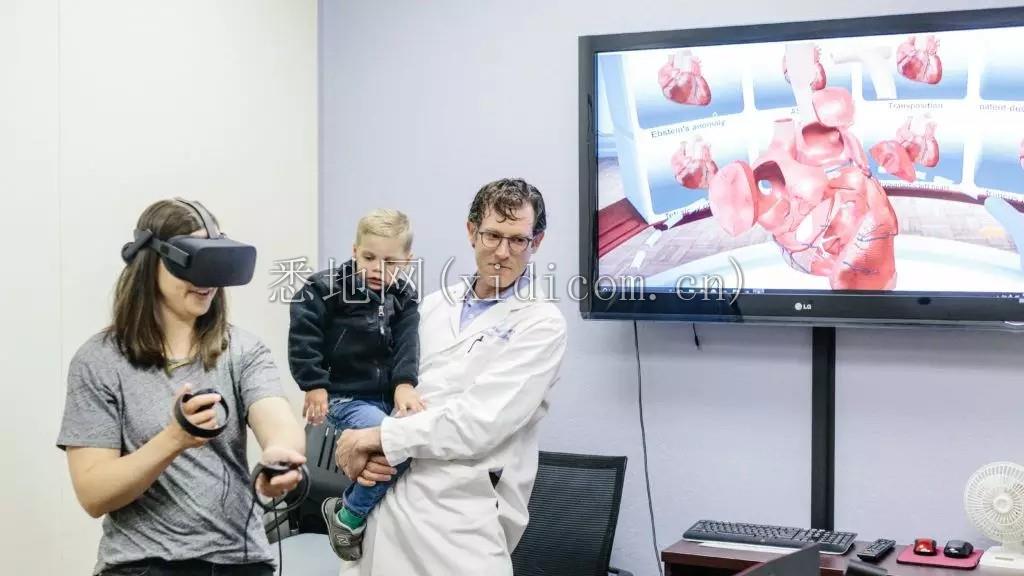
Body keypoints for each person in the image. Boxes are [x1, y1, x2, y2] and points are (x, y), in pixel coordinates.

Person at [56, 199, 307, 576]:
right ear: (150, 261)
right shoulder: (100, 360)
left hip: (239, 561)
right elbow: (94, 493)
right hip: (142, 565)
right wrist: (174, 438)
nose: (207, 280)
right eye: (195, 261)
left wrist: (280, 459)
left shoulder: (242, 350)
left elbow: (278, 422)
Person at [335, 178, 568, 575]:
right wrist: (358, 443)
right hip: (385, 506)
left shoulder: (541, 324)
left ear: (537, 242)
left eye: (518, 240)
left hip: (461, 524)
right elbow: (380, 386)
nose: (502, 252)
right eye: (492, 235)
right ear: (471, 231)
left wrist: (378, 438)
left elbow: (477, 423)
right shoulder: (430, 306)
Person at [287, 208, 422, 560]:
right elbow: (304, 335)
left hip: (385, 400)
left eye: (390, 262)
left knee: (412, 442)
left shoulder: (404, 297)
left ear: (407, 261)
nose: (378, 268)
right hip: (345, 397)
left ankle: (370, 520)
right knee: (395, 442)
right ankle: (348, 516)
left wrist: (404, 384)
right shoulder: (325, 288)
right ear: (354, 251)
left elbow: (408, 344)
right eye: (369, 257)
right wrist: (314, 383)